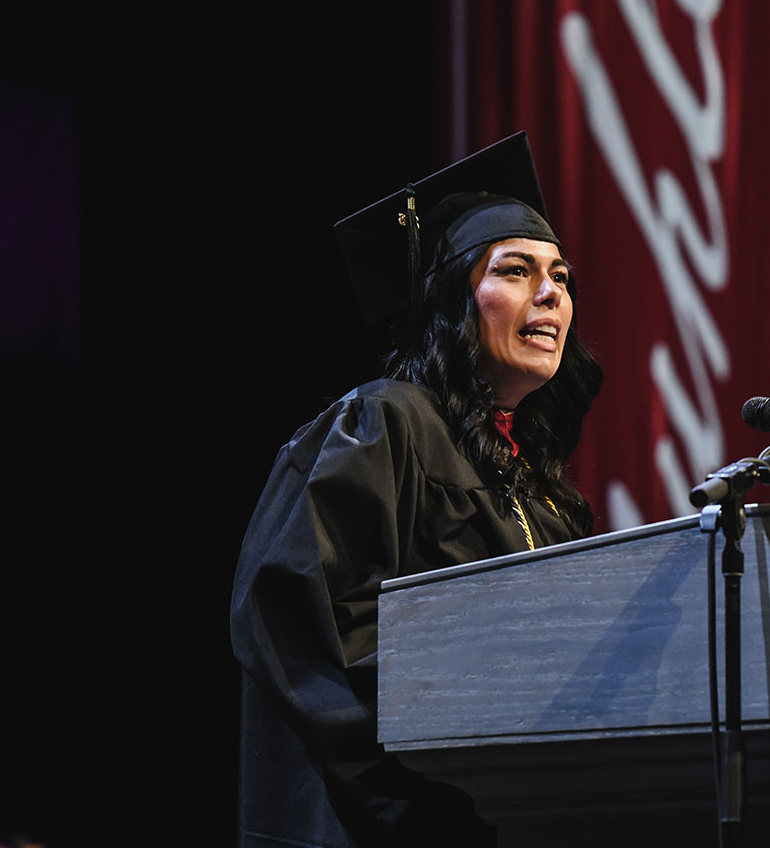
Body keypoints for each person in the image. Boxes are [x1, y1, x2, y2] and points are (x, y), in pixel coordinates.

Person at [229, 133, 602, 848]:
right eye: (517, 270)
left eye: (560, 276)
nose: (552, 293)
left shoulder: (541, 491)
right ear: (451, 300)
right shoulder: (385, 423)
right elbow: (297, 611)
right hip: (388, 818)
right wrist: (418, 786)